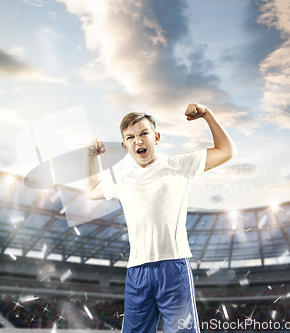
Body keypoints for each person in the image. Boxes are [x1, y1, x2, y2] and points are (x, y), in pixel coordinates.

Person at [84, 103, 237, 333]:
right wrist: (91, 158)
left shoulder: (178, 165)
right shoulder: (122, 179)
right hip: (137, 271)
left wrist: (207, 115)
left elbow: (226, 151)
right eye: (131, 137)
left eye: (144, 133)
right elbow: (91, 190)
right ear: (125, 146)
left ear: (156, 137)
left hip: (173, 266)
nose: (138, 140)